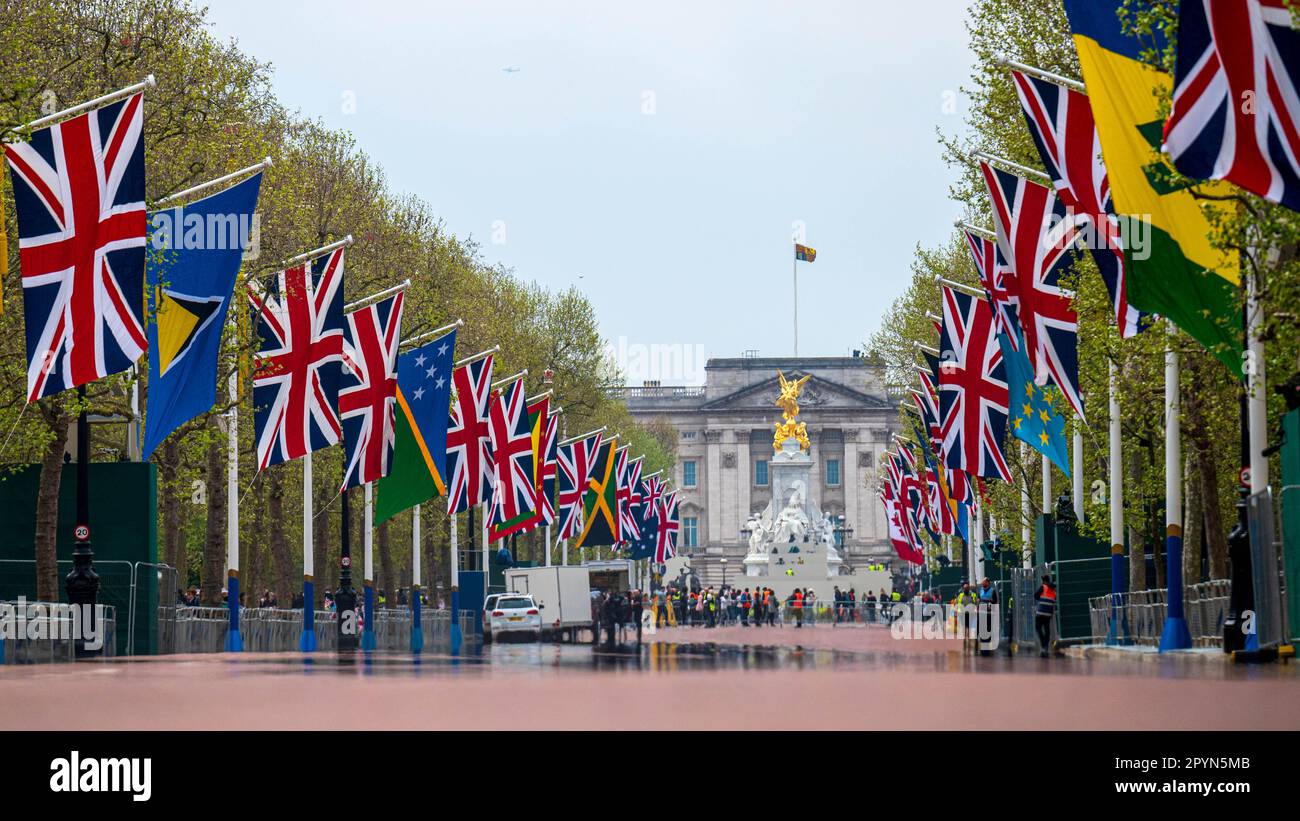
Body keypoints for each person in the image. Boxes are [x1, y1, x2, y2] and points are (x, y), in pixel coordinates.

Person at [1034, 575, 1057, 657]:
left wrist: (1040, 599)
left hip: (1040, 612)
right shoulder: (1053, 589)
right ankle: (1046, 646)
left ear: (1043, 581)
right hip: (1048, 613)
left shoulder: (1043, 587)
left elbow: (1035, 595)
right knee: (1047, 629)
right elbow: (1054, 600)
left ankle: (1043, 643)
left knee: (1038, 627)